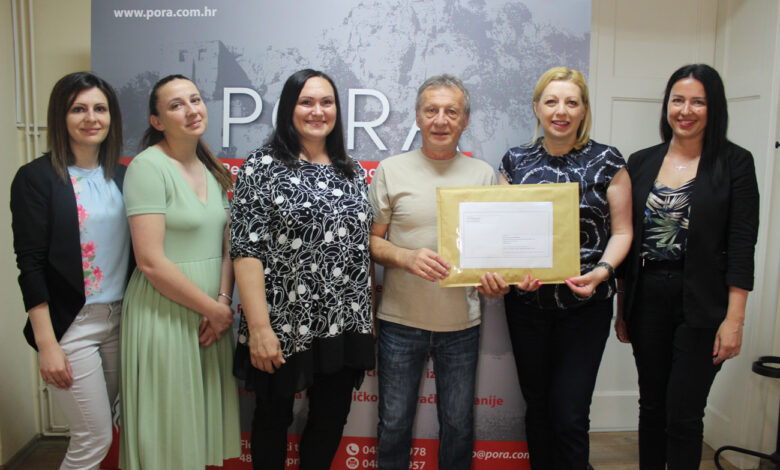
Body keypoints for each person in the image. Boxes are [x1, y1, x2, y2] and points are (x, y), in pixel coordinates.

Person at [615, 64, 759, 469]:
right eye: (678, 100)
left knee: (684, 414)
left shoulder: (735, 163)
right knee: (651, 406)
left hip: (703, 302)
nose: (686, 110)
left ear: (714, 108)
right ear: (667, 105)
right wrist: (622, 308)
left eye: (698, 102)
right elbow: (627, 237)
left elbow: (742, 244)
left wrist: (735, 320)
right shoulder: (641, 162)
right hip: (646, 297)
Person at [230, 69, 375, 470]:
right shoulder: (262, 166)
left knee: (330, 420)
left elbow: (358, 250)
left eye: (326, 102)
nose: (317, 111)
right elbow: (246, 251)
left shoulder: (352, 170)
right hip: (280, 320)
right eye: (306, 102)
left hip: (343, 321)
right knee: (272, 418)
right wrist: (259, 329)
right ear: (288, 110)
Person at [369, 74, 509, 470]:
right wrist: (406, 257)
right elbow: (371, 242)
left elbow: (494, 251)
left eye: (452, 111)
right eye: (431, 110)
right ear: (417, 117)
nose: (441, 120)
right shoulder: (391, 170)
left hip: (461, 325)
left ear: (465, 120)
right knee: (394, 425)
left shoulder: (484, 175)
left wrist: (496, 282)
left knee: (459, 427)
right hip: (400, 323)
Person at [499, 66, 633, 469]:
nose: (561, 111)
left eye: (572, 102)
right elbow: (504, 235)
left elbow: (623, 231)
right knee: (538, 407)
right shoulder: (514, 161)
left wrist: (602, 271)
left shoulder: (608, 160)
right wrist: (513, 275)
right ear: (536, 107)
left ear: (584, 109)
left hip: (586, 306)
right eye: (552, 101)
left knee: (571, 414)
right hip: (527, 306)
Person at [10, 72, 131, 470]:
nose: (91, 118)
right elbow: (30, 264)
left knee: (104, 429)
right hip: (71, 325)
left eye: (100, 109)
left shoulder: (124, 177)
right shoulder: (36, 178)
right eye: (78, 109)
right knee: (93, 437)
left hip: (120, 320)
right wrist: (47, 344)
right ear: (60, 117)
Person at [119, 74, 240, 470]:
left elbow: (227, 247)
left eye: (195, 99)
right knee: (168, 435)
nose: (191, 110)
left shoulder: (212, 169)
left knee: (195, 434)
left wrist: (222, 302)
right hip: (164, 313)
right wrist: (214, 309)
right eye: (176, 105)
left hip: (209, 318)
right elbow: (150, 262)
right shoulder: (147, 167)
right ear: (157, 121)